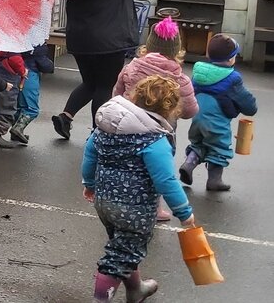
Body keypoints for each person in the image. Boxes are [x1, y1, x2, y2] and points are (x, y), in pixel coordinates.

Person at [82, 76, 195, 302]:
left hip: (104, 203)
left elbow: (89, 155)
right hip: (136, 211)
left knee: (122, 248)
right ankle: (100, 299)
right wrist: (184, 212)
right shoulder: (154, 140)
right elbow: (166, 180)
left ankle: (136, 289)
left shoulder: (108, 128)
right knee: (119, 256)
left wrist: (89, 183)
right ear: (171, 110)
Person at [112, 17, 199, 221]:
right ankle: (155, 209)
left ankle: (119, 199)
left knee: (126, 164)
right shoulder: (180, 79)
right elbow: (190, 111)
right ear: (177, 51)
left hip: (128, 125)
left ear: (148, 46)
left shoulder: (131, 67)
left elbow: (117, 93)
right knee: (158, 169)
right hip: (162, 132)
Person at [53, 0, 139, 140]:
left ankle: (65, 117)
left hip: (80, 37)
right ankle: (97, 133)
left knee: (90, 82)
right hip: (109, 39)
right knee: (104, 86)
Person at [180, 34, 257, 191]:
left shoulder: (199, 72)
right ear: (230, 59)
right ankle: (214, 181)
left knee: (198, 143)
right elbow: (246, 102)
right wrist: (251, 108)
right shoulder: (232, 78)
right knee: (219, 147)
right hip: (217, 121)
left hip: (197, 118)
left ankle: (188, 164)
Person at [10, 43, 54, 145]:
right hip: (29, 76)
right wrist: (50, 65)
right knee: (32, 109)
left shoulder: (17, 44)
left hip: (16, 73)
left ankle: (16, 131)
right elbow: (45, 66)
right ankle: (18, 128)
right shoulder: (37, 47)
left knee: (19, 107)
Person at [0, 51, 28, 148]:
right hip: (8, 79)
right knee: (7, 107)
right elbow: (15, 60)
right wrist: (23, 71)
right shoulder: (11, 45)